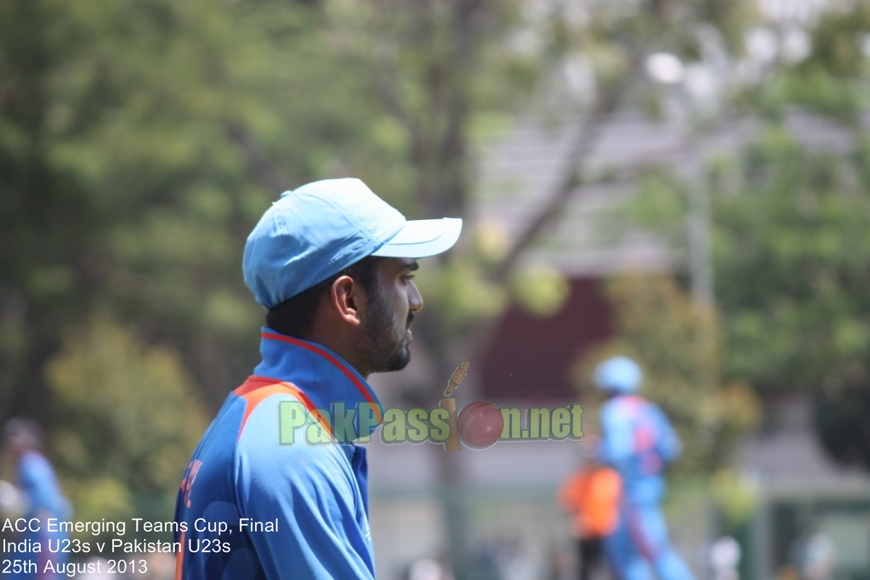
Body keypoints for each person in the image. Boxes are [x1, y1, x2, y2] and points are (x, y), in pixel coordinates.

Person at [173, 178, 462, 579]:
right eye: (402, 277)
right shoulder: (293, 449)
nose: (416, 301)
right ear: (349, 300)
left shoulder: (255, 415)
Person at [594, 356, 695, 580]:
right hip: (651, 486)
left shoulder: (615, 410)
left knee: (654, 550)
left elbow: (616, 452)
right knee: (620, 550)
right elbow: (671, 450)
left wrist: (596, 452)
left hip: (636, 492)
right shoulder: (650, 410)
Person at [3, 418, 73, 580]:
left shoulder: (31, 463)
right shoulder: (36, 463)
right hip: (41, 537)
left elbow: (44, 504)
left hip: (43, 537)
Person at [558, 435, 621, 580]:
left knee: (612, 568)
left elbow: (619, 505)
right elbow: (567, 503)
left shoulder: (609, 477)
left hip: (609, 534)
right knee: (586, 570)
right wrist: (575, 520)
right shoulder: (578, 478)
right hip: (586, 535)